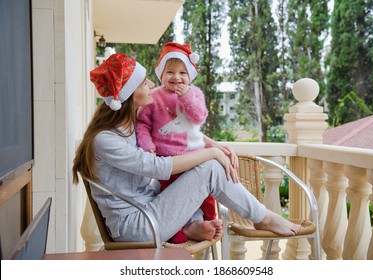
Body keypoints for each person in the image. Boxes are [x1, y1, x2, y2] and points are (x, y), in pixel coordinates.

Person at [72, 53, 301, 245]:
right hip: (136, 225)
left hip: (149, 209)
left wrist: (213, 144)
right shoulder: (106, 140)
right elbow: (160, 168)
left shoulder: (129, 126)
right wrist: (211, 153)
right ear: (129, 94)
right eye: (144, 83)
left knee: (207, 164)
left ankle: (190, 226)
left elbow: (169, 131)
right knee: (211, 167)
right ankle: (263, 217)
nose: (152, 84)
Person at [136, 42, 216, 243]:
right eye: (170, 72)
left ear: (190, 76)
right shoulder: (153, 97)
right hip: (168, 160)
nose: (176, 77)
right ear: (160, 74)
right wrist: (147, 144)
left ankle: (208, 219)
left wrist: (187, 96)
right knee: (172, 197)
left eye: (182, 73)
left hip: (194, 155)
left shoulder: (194, 94)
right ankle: (178, 230)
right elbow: (143, 124)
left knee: (205, 194)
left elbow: (199, 117)